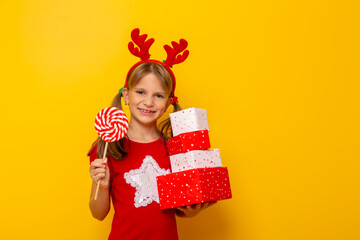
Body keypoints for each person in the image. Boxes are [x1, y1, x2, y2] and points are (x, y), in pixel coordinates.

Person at [88, 29, 215, 240]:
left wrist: (191, 211)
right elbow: (98, 213)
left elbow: (176, 207)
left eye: (158, 95)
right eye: (140, 92)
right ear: (126, 95)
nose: (148, 102)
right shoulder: (107, 147)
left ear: (168, 102)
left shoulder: (176, 148)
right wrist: (101, 184)